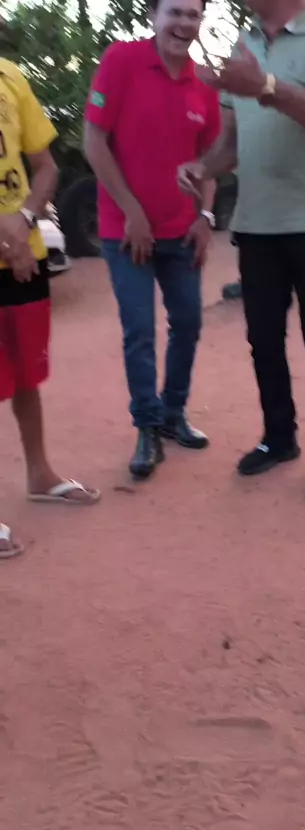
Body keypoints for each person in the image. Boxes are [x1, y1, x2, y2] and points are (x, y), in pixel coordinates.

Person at [179, 0, 305, 504]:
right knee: (263, 341)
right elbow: (231, 142)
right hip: (256, 224)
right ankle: (279, 438)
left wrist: (266, 87)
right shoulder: (244, 42)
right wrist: (203, 167)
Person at [84, 0, 221, 480]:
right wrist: (132, 212)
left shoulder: (204, 85)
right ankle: (146, 427)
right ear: (153, 16)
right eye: (174, 12)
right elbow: (93, 142)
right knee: (139, 330)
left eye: (193, 15)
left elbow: (209, 162)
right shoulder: (121, 61)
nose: (184, 23)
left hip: (181, 231)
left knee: (188, 323)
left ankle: (172, 414)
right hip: (125, 233)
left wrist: (205, 216)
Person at [0, 60, 100, 560]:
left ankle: (40, 474)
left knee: (25, 376)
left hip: (25, 258)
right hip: (14, 250)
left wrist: (21, 223)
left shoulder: (10, 77)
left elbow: (47, 168)